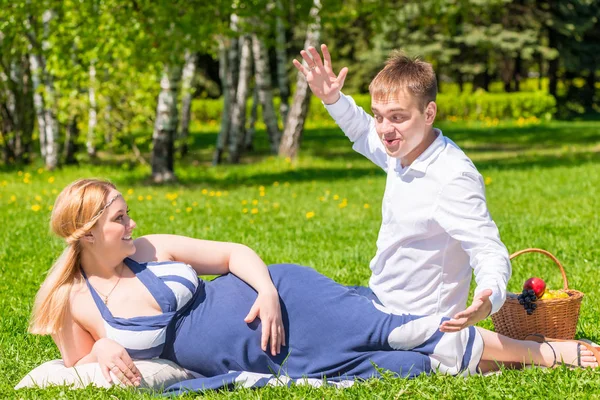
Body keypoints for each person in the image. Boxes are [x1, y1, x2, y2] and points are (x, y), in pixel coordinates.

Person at [29, 179, 599, 391]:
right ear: (86, 236)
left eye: (128, 214)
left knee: (396, 331)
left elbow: (233, 254)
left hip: (284, 300)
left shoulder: (151, 248)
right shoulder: (72, 302)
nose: (132, 224)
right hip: (268, 357)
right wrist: (103, 346)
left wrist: (268, 293)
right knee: (398, 368)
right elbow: (74, 371)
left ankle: (546, 351)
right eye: (119, 219)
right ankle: (511, 360)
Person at [293, 45, 511, 333]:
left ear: (429, 112)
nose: (384, 129)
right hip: (378, 303)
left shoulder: (452, 176)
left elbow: (488, 248)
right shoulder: (402, 150)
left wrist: (488, 296)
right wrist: (332, 98)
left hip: (415, 324)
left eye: (397, 117)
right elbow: (362, 129)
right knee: (294, 288)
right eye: (379, 116)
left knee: (309, 337)